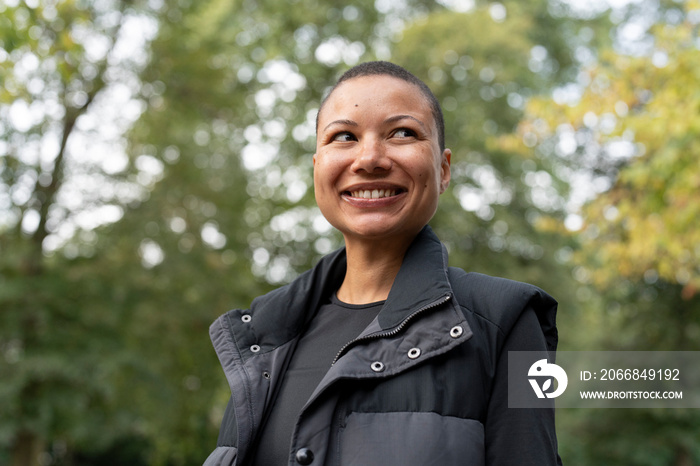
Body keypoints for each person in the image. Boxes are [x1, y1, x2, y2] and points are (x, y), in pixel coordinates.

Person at [203, 61, 562, 466]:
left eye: (402, 133)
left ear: (443, 170)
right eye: (344, 136)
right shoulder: (260, 337)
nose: (369, 158)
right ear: (317, 167)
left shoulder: (508, 321)